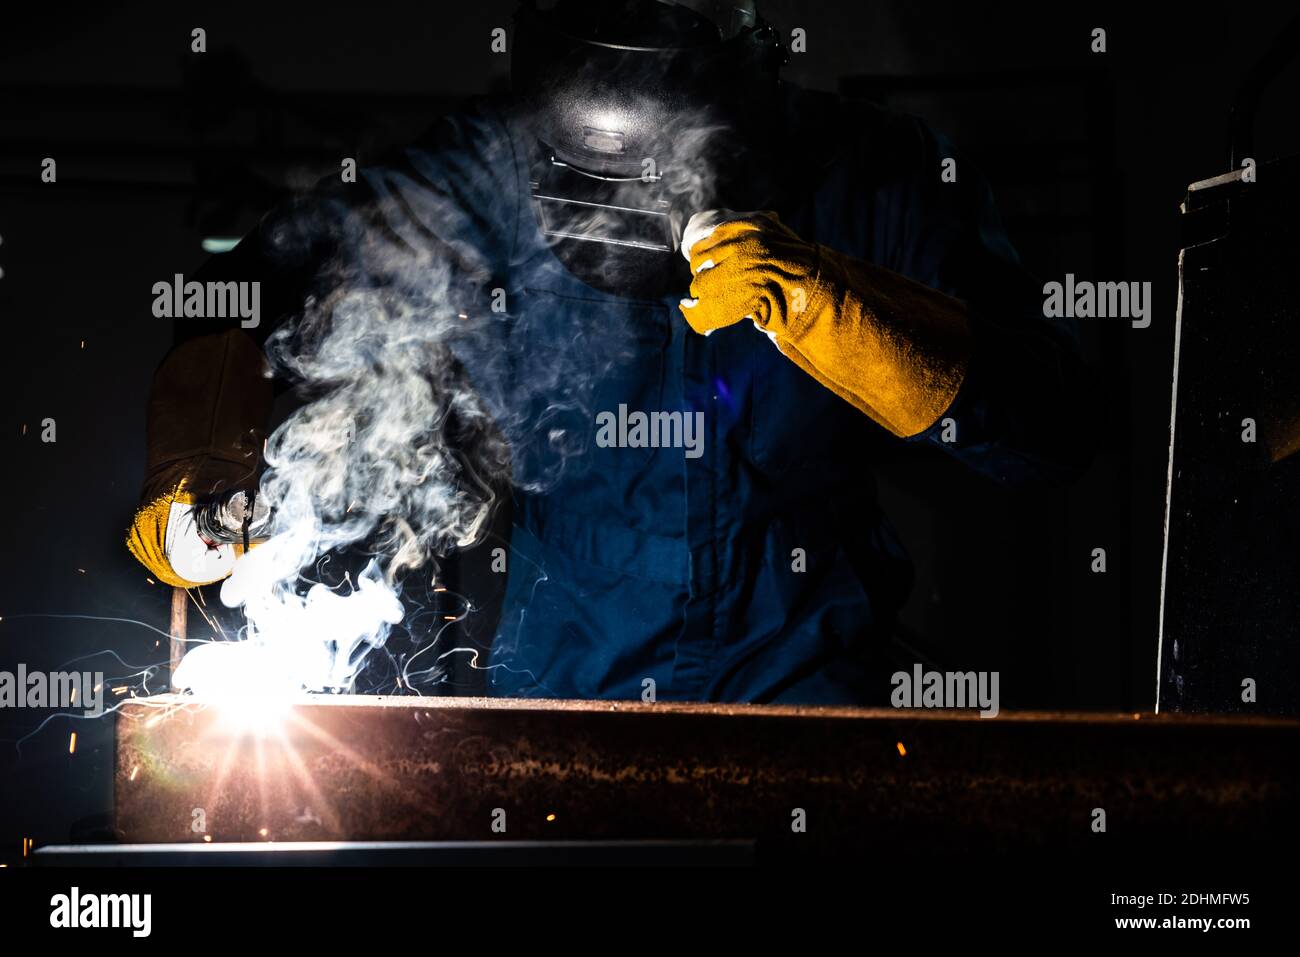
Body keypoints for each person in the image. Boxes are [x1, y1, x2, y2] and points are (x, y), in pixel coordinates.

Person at [128, 0, 1093, 704]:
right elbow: (265, 279)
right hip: (570, 661)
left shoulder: (873, 171)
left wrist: (835, 304)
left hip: (801, 657)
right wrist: (205, 476)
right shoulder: (488, 167)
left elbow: (1051, 428)